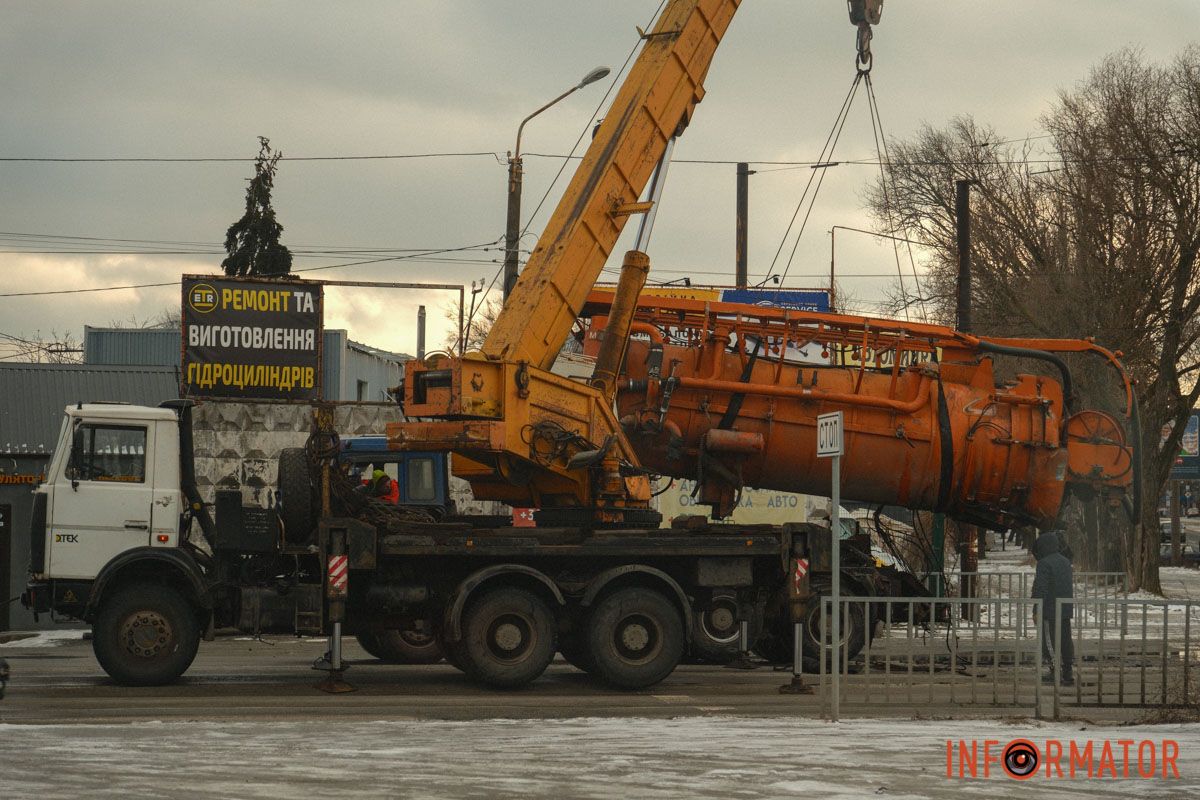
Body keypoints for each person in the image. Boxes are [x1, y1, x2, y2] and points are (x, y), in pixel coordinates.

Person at [1031, 530, 1074, 685]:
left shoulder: (1044, 563)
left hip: (1049, 610)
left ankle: (1055, 670)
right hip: (1065, 609)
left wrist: (1037, 609)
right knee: (1065, 640)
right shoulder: (1065, 561)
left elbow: (1041, 588)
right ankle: (1068, 670)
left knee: (1048, 641)